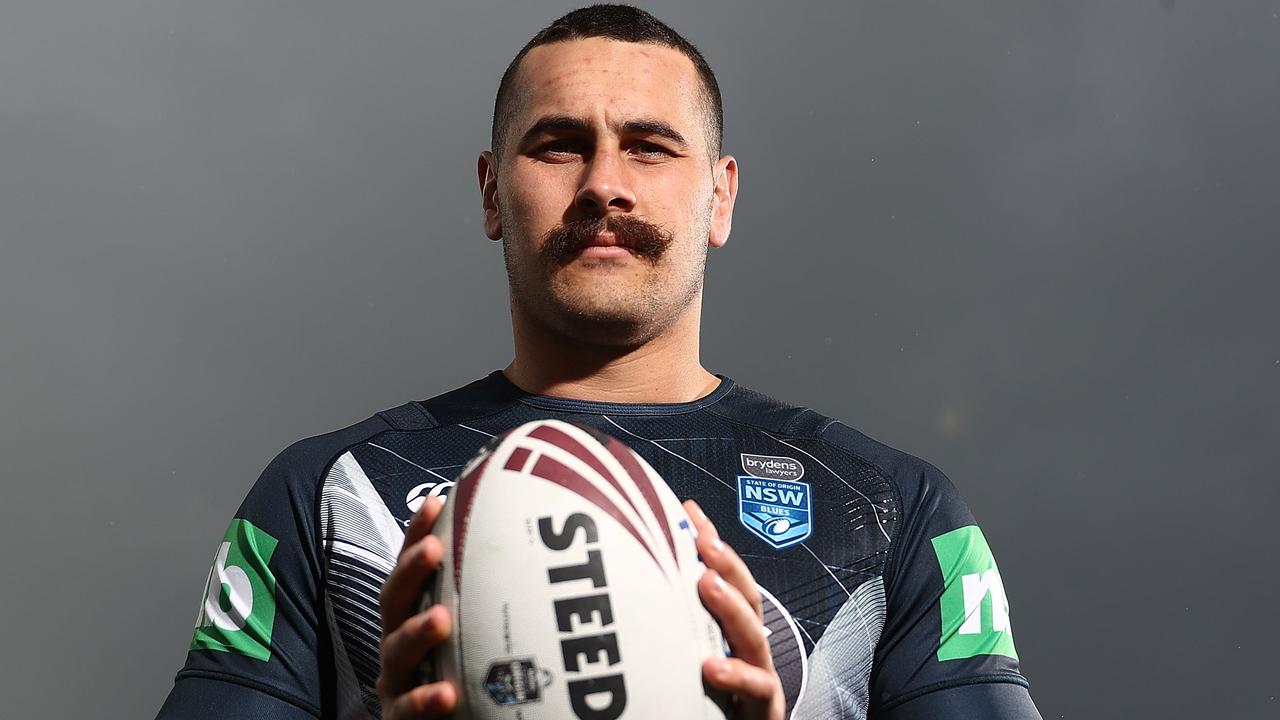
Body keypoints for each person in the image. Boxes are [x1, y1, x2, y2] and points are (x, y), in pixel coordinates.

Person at [158, 5, 1042, 719]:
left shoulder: (893, 507)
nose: (603, 184)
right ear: (491, 194)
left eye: (650, 147)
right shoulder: (327, 491)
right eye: (559, 145)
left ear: (721, 195)